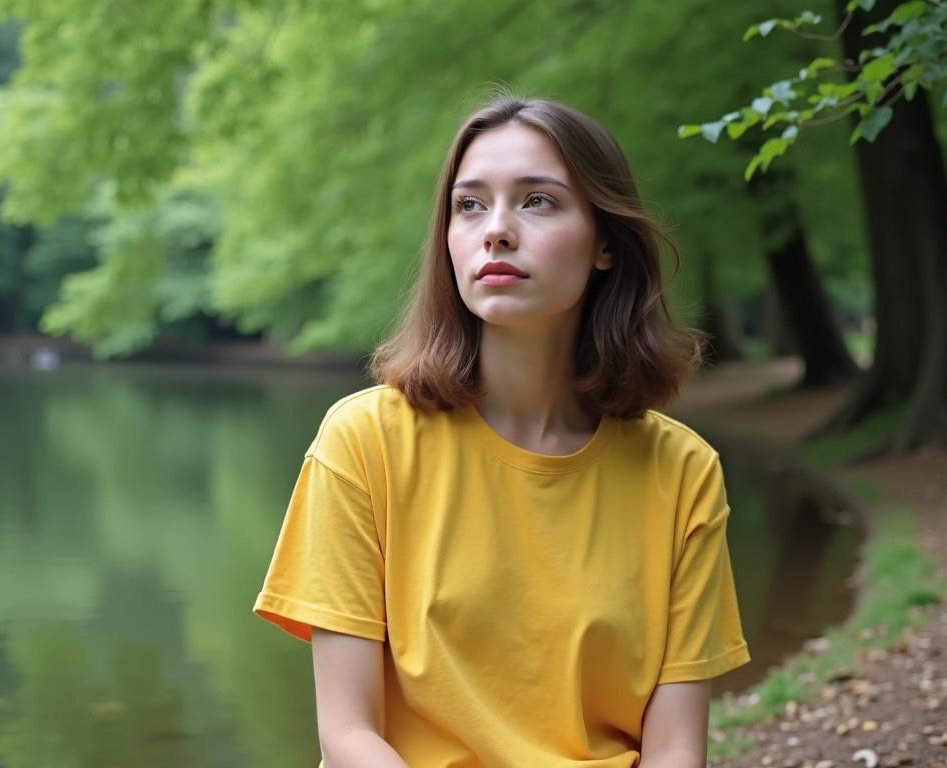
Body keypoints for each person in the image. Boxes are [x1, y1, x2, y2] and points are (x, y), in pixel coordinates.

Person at [253, 94, 750, 768]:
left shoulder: (682, 471)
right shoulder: (363, 441)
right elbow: (346, 735)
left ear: (606, 242)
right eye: (470, 205)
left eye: (537, 201)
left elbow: (675, 750)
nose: (496, 230)